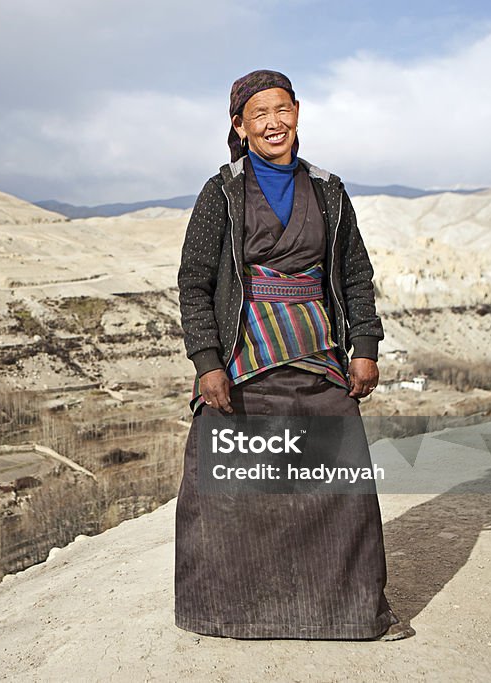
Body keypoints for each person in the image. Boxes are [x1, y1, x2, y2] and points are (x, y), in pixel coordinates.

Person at [174, 69, 414, 640]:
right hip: (245, 357)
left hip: (319, 356)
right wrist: (207, 362)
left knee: (342, 486)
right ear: (240, 126)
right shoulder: (222, 192)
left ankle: (352, 613)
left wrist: (365, 345)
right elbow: (194, 281)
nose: (273, 122)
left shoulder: (329, 190)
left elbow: (355, 272)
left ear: (299, 112)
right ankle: (227, 613)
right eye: (259, 114)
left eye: (282, 109)